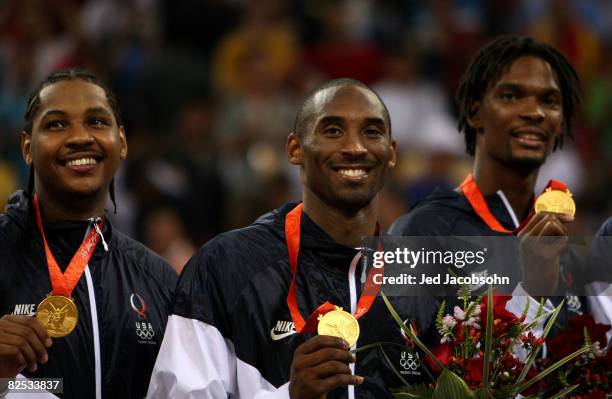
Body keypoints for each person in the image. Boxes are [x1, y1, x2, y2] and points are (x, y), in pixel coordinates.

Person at [148, 78, 438, 398]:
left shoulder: (427, 274)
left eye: (372, 132)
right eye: (332, 130)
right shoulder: (224, 266)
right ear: (295, 149)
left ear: (392, 152)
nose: (355, 147)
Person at [0, 69, 177, 399]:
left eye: (96, 122)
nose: (80, 137)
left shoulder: (158, 278)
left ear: (121, 143)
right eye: (56, 124)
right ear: (27, 147)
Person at [389, 36, 587, 326]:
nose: (534, 112)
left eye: (550, 100)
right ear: (474, 112)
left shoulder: (568, 248)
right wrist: (532, 292)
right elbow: (396, 363)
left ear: (561, 123)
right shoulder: (422, 233)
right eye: (510, 96)